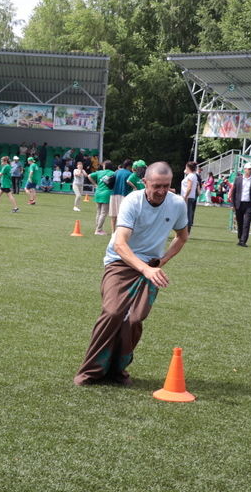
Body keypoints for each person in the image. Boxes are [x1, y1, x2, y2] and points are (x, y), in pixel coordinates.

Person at [74, 161, 189, 386]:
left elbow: (182, 236)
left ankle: (117, 370)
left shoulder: (177, 204)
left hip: (150, 266)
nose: (162, 191)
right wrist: (145, 268)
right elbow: (120, 244)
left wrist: (161, 262)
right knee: (113, 311)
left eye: (166, 186)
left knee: (135, 319)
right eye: (156, 185)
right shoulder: (132, 201)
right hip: (120, 262)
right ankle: (90, 371)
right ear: (144, 182)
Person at [228, 162, 251, 247]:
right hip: (239, 204)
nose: (250, 171)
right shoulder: (238, 179)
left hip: (249, 205)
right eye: (249, 169)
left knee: (247, 223)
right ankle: (240, 238)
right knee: (240, 223)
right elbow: (233, 193)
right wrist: (232, 204)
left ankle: (243, 241)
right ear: (245, 169)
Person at [88, 160, 114, 235]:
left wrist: (95, 184)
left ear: (105, 166)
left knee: (98, 212)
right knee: (103, 213)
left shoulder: (99, 172)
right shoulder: (112, 173)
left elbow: (89, 176)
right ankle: (98, 230)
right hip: (106, 193)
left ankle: (98, 228)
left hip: (98, 193)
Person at [109, 159, 133, 230]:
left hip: (113, 194)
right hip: (124, 195)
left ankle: (113, 232)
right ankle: (119, 232)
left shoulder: (116, 172)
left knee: (113, 215)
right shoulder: (129, 174)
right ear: (129, 166)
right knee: (122, 215)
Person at [180, 161, 200, 234]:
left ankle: (186, 231)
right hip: (191, 197)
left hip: (188, 197)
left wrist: (185, 197)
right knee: (188, 214)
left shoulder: (191, 176)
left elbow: (189, 188)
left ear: (188, 167)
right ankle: (186, 231)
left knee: (187, 215)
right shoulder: (193, 175)